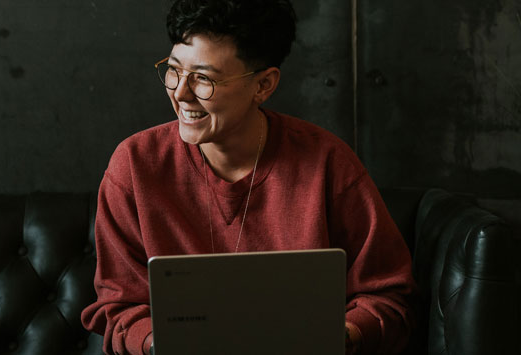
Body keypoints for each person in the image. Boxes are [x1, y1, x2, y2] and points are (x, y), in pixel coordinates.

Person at [80, 0, 415, 354]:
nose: (180, 93)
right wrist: (158, 343)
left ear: (264, 85)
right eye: (174, 70)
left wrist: (336, 335)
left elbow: (389, 297)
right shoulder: (134, 165)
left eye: (204, 79)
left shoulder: (328, 163)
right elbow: (118, 308)